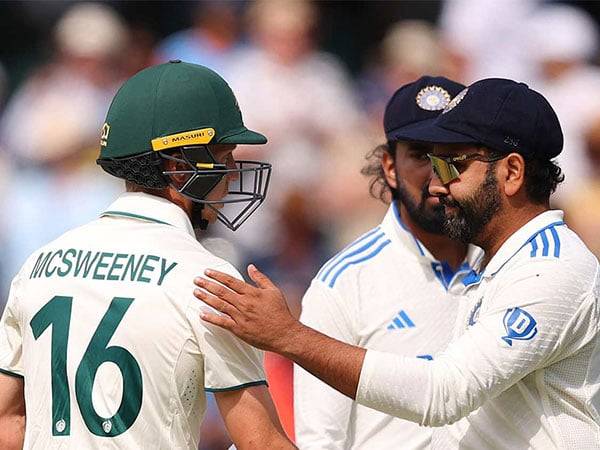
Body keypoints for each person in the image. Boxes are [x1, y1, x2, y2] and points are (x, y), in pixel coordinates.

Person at [194, 78, 600, 449]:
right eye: (424, 159)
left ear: (512, 172)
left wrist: (289, 336)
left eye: (452, 164)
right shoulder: (501, 264)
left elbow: (444, 393)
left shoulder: (548, 269)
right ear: (389, 166)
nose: (438, 183)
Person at [0, 61, 295, 450]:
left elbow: (8, 420)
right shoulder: (209, 278)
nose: (231, 175)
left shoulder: (38, 265)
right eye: (223, 158)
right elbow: (262, 443)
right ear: (178, 167)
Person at [294, 76, 482, 449]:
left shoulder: (510, 262)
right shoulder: (344, 283)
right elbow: (320, 440)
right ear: (389, 166)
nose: (437, 175)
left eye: (451, 156)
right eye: (419, 154)